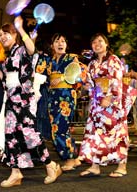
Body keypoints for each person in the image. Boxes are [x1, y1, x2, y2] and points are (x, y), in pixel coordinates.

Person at [0, 16, 62, 188]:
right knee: (11, 137)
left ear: (15, 35)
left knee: (30, 134)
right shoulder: (8, 57)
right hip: (11, 100)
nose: (2, 37)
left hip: (23, 100)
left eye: (6, 33)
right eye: (0, 35)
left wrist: (21, 29)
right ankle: (16, 173)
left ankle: (51, 166)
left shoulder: (22, 50)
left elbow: (31, 49)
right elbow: (7, 80)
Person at [78, 33, 137, 178]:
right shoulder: (92, 64)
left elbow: (117, 79)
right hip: (97, 102)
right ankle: (95, 165)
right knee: (95, 133)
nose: (97, 44)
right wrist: (87, 85)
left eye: (100, 41)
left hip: (112, 102)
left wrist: (110, 97)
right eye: (94, 42)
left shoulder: (113, 59)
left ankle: (122, 166)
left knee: (116, 132)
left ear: (106, 44)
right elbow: (91, 83)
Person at [45, 33, 84, 171]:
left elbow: (80, 73)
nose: (60, 44)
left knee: (60, 128)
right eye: (57, 41)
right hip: (52, 96)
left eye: (63, 41)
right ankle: (73, 157)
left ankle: (70, 159)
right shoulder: (49, 61)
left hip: (65, 97)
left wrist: (61, 77)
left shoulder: (71, 57)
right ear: (52, 45)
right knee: (57, 129)